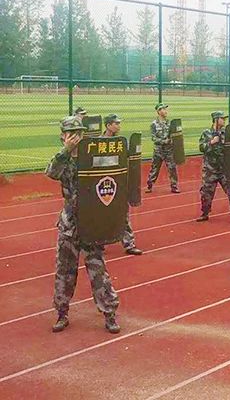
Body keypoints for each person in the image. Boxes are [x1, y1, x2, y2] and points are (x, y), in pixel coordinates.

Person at [46, 116, 120, 334]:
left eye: (79, 133)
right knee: (64, 271)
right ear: (63, 136)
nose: (76, 137)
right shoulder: (62, 159)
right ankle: (61, 313)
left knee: (98, 271)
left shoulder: (93, 157)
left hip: (91, 223)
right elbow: (51, 173)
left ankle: (109, 313)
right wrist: (66, 150)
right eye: (71, 133)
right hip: (69, 223)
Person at [103, 114, 143, 255]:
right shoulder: (99, 143)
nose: (118, 126)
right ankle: (98, 244)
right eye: (116, 123)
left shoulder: (120, 142)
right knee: (100, 215)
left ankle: (129, 244)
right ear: (108, 125)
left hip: (119, 183)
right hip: (104, 185)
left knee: (123, 214)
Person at [195, 111, 230, 223]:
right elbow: (201, 148)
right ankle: (205, 213)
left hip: (224, 168)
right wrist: (211, 142)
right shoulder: (206, 133)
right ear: (216, 119)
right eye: (222, 118)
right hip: (210, 169)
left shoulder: (226, 133)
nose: (224, 120)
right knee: (206, 192)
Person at [146, 103, 179, 194]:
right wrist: (164, 141)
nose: (166, 111)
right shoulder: (154, 124)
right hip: (158, 150)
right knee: (154, 169)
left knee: (172, 168)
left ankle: (174, 186)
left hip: (169, 150)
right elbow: (154, 138)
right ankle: (150, 185)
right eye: (164, 109)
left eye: (165, 109)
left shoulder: (170, 123)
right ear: (159, 111)